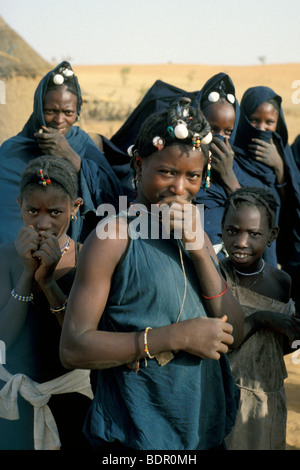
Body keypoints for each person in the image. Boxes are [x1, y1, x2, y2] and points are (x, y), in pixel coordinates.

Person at [59, 98, 245, 451]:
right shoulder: (114, 237)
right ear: (139, 164)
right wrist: (174, 337)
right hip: (136, 433)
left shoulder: (198, 235)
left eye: (192, 176)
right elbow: (73, 347)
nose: (180, 189)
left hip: (202, 427)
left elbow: (233, 331)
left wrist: (200, 253)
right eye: (167, 172)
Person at [0, 156, 93, 450]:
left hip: (71, 399)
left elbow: (79, 341)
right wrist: (27, 274)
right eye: (32, 211)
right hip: (12, 400)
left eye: (55, 212)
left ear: (75, 208)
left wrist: (48, 282)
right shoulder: (6, 257)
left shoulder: (86, 259)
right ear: (19, 206)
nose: (42, 222)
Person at [0, 61, 123, 245]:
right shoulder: (12, 151)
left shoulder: (83, 144)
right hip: (16, 253)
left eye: (68, 112)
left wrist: (72, 158)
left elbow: (113, 200)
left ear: (77, 111)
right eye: (50, 111)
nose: (59, 120)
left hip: (72, 255)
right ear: (39, 108)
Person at [219, 186, 300, 450]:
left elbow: (278, 347)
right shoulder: (215, 276)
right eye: (232, 231)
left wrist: (291, 333)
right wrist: (262, 318)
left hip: (266, 393)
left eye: (254, 234)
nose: (241, 242)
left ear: (271, 236)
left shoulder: (280, 282)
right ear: (221, 228)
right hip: (224, 394)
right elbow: (222, 339)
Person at [193, 73, 241, 256]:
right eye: (212, 129)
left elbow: (253, 219)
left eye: (228, 131)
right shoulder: (184, 164)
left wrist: (228, 174)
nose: (220, 138)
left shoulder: (238, 170)